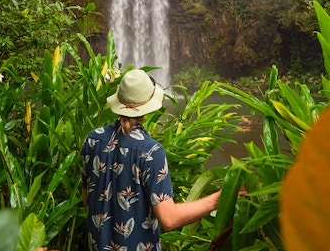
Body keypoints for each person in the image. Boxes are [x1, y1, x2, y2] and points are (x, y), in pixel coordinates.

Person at [81, 69, 226, 250]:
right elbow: (169, 219)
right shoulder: (151, 151)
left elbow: (87, 198)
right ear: (148, 104)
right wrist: (218, 199)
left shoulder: (93, 139)